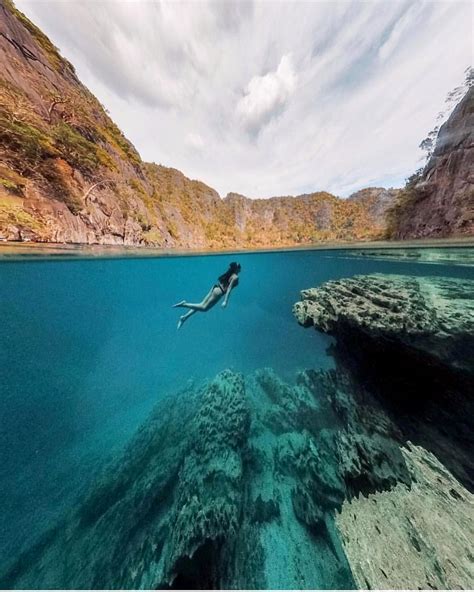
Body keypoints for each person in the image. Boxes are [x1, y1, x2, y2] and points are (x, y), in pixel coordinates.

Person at [173, 262, 241, 329]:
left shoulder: (229, 273)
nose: (240, 268)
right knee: (204, 308)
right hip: (219, 292)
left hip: (215, 287)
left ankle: (184, 318)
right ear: (236, 269)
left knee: (200, 305)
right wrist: (225, 301)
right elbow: (229, 289)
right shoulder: (235, 277)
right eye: (239, 267)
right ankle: (184, 304)